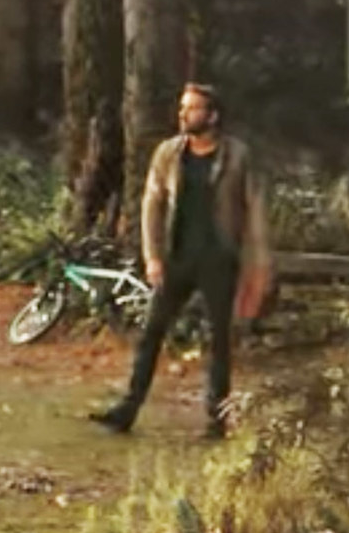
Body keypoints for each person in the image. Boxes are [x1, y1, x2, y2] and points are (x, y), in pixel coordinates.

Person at [93, 81, 273, 440]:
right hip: (177, 258)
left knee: (218, 340)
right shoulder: (168, 153)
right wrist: (153, 256)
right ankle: (127, 409)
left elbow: (256, 210)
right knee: (151, 333)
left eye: (191, 108)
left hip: (219, 258)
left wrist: (260, 264)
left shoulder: (237, 155)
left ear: (212, 115)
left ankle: (216, 420)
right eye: (182, 107)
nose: (182, 114)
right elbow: (152, 205)